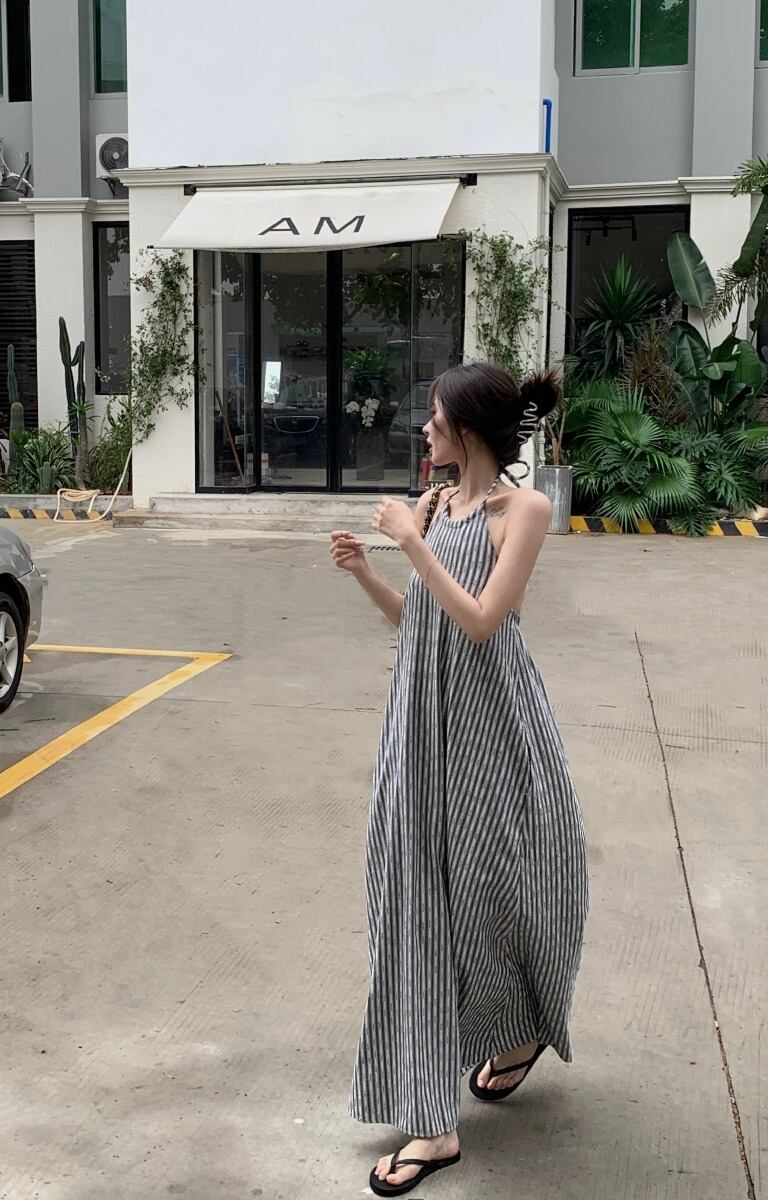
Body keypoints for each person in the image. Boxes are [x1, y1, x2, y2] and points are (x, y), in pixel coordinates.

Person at [330, 362, 589, 1198]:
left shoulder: (525, 510)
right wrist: (369, 573)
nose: (425, 429)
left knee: (501, 892)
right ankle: (433, 1119)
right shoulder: (439, 505)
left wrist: (408, 542)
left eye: (436, 418)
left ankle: (518, 1030)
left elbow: (481, 621)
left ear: (469, 429)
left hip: (493, 727)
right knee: (414, 901)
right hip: (423, 725)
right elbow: (424, 620)